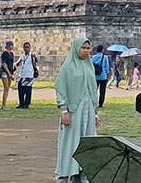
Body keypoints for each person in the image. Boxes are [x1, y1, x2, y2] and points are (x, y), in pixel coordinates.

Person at [55, 37, 99, 183]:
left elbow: (93, 91)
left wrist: (95, 114)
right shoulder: (68, 66)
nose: (86, 51)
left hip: (88, 112)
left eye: (88, 48)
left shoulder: (89, 66)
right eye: (83, 48)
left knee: (86, 144)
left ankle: (80, 176)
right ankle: (63, 175)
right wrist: (64, 110)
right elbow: (61, 89)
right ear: (76, 48)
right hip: (73, 112)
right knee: (70, 143)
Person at [16, 41, 38, 109]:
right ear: (23, 48)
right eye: (25, 47)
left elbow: (36, 61)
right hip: (22, 75)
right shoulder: (22, 56)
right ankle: (21, 103)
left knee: (28, 90)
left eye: (28, 47)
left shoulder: (32, 55)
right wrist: (20, 62)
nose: (26, 49)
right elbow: (17, 64)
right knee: (21, 90)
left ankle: (27, 104)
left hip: (29, 74)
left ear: (30, 48)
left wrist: (35, 57)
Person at [0, 41, 15, 110]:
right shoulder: (4, 54)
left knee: (7, 89)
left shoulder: (11, 54)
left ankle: (4, 103)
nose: (12, 46)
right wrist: (8, 73)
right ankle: (4, 105)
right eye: (11, 45)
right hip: (5, 72)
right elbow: (4, 64)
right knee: (6, 88)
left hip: (10, 72)